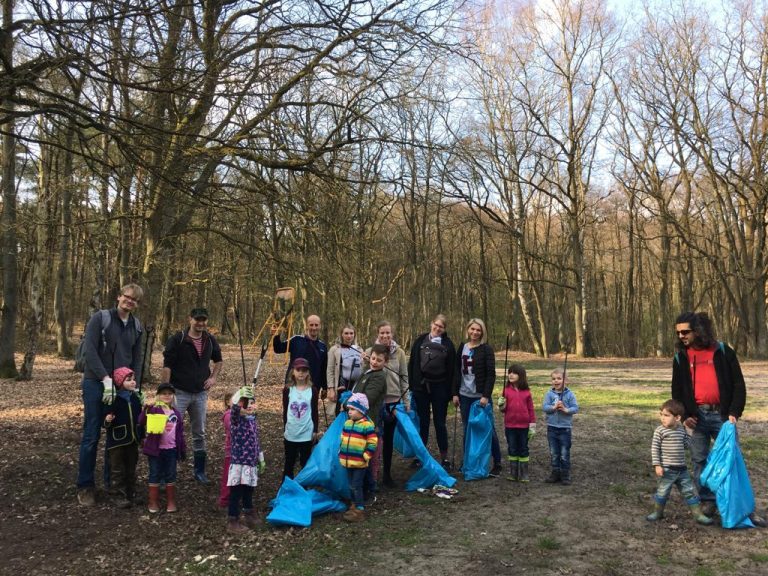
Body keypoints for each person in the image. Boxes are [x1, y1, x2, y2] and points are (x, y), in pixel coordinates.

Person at [670, 311, 764, 525]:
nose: (681, 336)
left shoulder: (722, 351)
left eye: (686, 331)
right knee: (699, 460)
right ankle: (708, 502)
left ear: (698, 330)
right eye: (678, 333)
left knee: (731, 461)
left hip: (723, 416)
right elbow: (677, 390)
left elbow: (738, 384)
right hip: (696, 418)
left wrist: (734, 412)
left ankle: (741, 508)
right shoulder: (680, 357)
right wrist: (685, 416)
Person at [77, 283, 144, 506]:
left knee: (116, 437)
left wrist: (134, 385)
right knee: (92, 434)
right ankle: (85, 486)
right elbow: (90, 351)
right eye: (127, 297)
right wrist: (105, 378)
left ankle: (113, 485)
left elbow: (136, 358)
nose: (130, 301)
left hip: (122, 388)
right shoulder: (101, 318)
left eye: (134, 300)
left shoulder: (136, 326)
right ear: (119, 297)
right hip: (95, 383)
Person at [161, 307, 223, 485]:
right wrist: (165, 390)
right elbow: (167, 365)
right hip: (179, 393)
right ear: (190, 319)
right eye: (197, 319)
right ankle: (168, 473)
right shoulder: (178, 339)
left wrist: (213, 378)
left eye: (204, 320)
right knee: (170, 431)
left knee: (199, 433)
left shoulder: (209, 340)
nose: (201, 323)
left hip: (200, 394)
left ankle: (199, 471)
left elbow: (218, 360)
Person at [646, 399, 713, 525]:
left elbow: (686, 445)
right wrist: (657, 465)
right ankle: (657, 512)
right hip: (667, 470)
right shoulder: (660, 431)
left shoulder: (681, 430)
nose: (662, 418)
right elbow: (655, 449)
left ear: (677, 418)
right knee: (662, 492)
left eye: (666, 415)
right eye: (661, 414)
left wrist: (689, 432)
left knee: (690, 492)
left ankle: (698, 515)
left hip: (682, 470)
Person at [452, 318, 502, 477]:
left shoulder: (486, 349)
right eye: (472, 329)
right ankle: (468, 461)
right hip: (464, 396)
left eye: (478, 330)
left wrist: (486, 395)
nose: (475, 332)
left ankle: (497, 462)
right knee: (467, 429)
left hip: (480, 397)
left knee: (488, 429)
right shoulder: (462, 347)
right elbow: (456, 371)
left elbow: (491, 374)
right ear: (468, 330)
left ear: (482, 332)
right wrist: (455, 393)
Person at [408, 314, 457, 469]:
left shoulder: (448, 344)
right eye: (436, 325)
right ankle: (420, 456)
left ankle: (444, 458)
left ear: (444, 329)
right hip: (421, 388)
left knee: (440, 423)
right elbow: (412, 363)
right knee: (423, 422)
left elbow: (453, 370)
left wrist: (452, 392)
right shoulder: (420, 341)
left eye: (441, 326)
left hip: (440, 388)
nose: (437, 328)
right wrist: (412, 385)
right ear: (431, 324)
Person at [365, 321, 409, 488]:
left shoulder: (399, 353)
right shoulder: (370, 351)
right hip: (375, 402)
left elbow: (404, 377)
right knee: (373, 439)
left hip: (393, 402)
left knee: (388, 439)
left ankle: (387, 475)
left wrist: (406, 401)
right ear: (378, 334)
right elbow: (364, 375)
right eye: (382, 333)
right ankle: (371, 476)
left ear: (392, 334)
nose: (385, 336)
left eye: (388, 333)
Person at [140, 382, 186, 513]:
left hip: (171, 449)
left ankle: (171, 501)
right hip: (156, 449)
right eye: (163, 393)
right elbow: (141, 421)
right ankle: (153, 501)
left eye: (170, 394)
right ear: (158, 396)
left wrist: (182, 448)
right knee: (155, 473)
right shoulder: (154, 410)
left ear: (173, 396)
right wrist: (146, 410)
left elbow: (180, 433)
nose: (167, 396)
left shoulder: (176, 413)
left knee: (171, 473)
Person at [226, 386, 266, 533]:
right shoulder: (237, 421)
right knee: (236, 492)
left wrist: (260, 458)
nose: (249, 406)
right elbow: (234, 411)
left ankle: (249, 513)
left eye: (252, 403)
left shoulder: (252, 421)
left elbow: (256, 441)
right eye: (246, 403)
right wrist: (239, 398)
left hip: (251, 462)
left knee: (249, 489)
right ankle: (233, 520)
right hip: (239, 463)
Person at [103, 367, 143, 508]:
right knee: (117, 469)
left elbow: (140, 419)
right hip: (117, 440)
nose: (133, 382)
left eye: (133, 379)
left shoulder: (136, 398)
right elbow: (105, 421)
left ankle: (131, 492)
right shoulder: (113, 399)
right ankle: (117, 494)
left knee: (131, 466)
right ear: (120, 382)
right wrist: (107, 420)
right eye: (128, 380)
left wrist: (142, 435)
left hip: (133, 439)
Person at [352, 343, 388, 498]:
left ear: (385, 362)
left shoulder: (379, 377)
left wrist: (348, 402)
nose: (375, 362)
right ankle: (361, 486)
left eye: (379, 360)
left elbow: (367, 399)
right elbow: (358, 390)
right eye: (373, 358)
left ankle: (369, 488)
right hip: (359, 419)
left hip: (369, 421)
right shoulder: (368, 372)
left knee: (368, 455)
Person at [339, 393, 379, 523]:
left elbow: (372, 442)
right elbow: (343, 438)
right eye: (349, 409)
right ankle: (354, 505)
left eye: (352, 409)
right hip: (348, 461)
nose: (349, 412)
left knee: (357, 485)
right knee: (351, 485)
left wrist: (366, 455)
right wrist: (341, 452)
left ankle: (360, 509)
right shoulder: (347, 423)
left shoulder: (367, 425)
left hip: (360, 462)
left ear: (361, 410)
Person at [282, 357, 321, 479]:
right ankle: (287, 486)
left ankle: (304, 485)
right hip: (291, 432)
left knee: (305, 462)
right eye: (298, 370)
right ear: (293, 371)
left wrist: (315, 430)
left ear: (308, 372)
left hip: (306, 432)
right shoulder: (288, 389)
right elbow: (285, 410)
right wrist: (285, 427)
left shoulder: (312, 390)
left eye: (304, 370)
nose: (301, 373)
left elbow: (314, 411)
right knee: (289, 462)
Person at [498, 364, 536, 482]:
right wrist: (501, 405)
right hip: (510, 426)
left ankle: (524, 474)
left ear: (521, 376)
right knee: (512, 448)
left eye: (514, 373)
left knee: (523, 448)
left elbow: (531, 409)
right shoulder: (506, 391)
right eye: (509, 372)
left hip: (524, 426)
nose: (511, 375)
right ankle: (513, 473)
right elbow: (503, 410)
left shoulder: (527, 392)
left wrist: (532, 425)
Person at [272, 314, 328, 393]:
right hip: (293, 385)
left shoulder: (323, 347)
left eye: (316, 325)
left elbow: (323, 369)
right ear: (307, 326)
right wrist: (276, 336)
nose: (314, 328)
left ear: (320, 326)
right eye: (311, 325)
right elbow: (278, 349)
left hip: (313, 388)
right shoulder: (296, 340)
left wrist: (325, 387)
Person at [542, 367, 579, 485]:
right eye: (553, 379)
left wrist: (565, 409)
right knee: (554, 452)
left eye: (559, 378)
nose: (556, 381)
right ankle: (555, 472)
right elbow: (545, 407)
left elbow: (575, 408)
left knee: (564, 452)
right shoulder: (549, 394)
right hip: (552, 428)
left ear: (566, 380)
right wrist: (553, 408)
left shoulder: (570, 395)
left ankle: (565, 474)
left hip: (565, 429)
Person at [326, 323, 364, 413]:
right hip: (341, 384)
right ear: (342, 334)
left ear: (354, 334)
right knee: (340, 409)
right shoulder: (334, 349)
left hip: (356, 385)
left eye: (351, 333)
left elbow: (362, 368)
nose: (349, 336)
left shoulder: (359, 349)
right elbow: (330, 369)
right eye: (346, 333)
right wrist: (331, 388)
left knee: (354, 410)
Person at [218, 392, 233, 509]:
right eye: (235, 400)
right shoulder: (228, 415)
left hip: (242, 452)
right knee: (228, 475)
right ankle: (224, 498)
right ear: (228, 402)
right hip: (232, 451)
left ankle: (236, 496)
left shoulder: (244, 414)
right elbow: (232, 428)